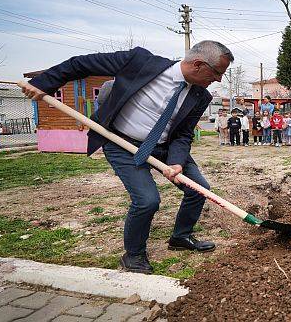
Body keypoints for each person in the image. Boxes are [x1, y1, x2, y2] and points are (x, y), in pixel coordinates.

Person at [20, 41, 232, 274]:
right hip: (122, 144)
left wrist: (176, 162)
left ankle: (181, 237)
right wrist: (46, 83)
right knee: (147, 200)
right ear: (199, 65)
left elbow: (183, 133)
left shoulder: (200, 97)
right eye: (217, 73)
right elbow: (81, 64)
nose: (219, 80)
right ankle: (133, 255)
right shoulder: (140, 62)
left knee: (199, 188)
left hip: (163, 147)